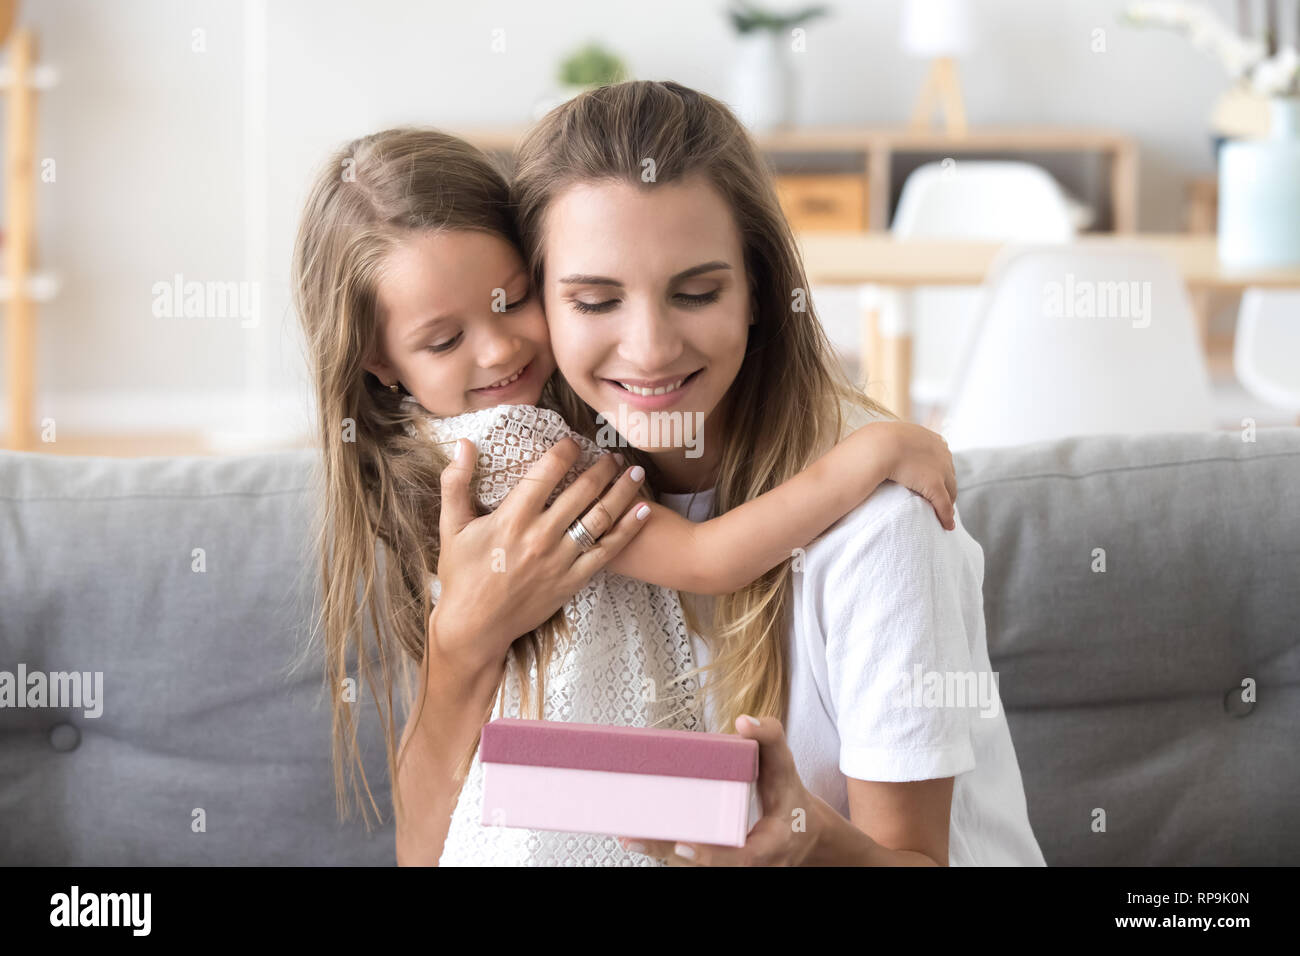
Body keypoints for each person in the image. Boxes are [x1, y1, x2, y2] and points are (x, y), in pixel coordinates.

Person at [290, 125, 960, 864]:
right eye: (445, 342)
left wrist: (809, 842)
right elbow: (425, 849)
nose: (500, 349)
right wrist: (459, 643)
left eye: (512, 303)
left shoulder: (882, 530)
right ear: (379, 361)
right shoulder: (499, 461)